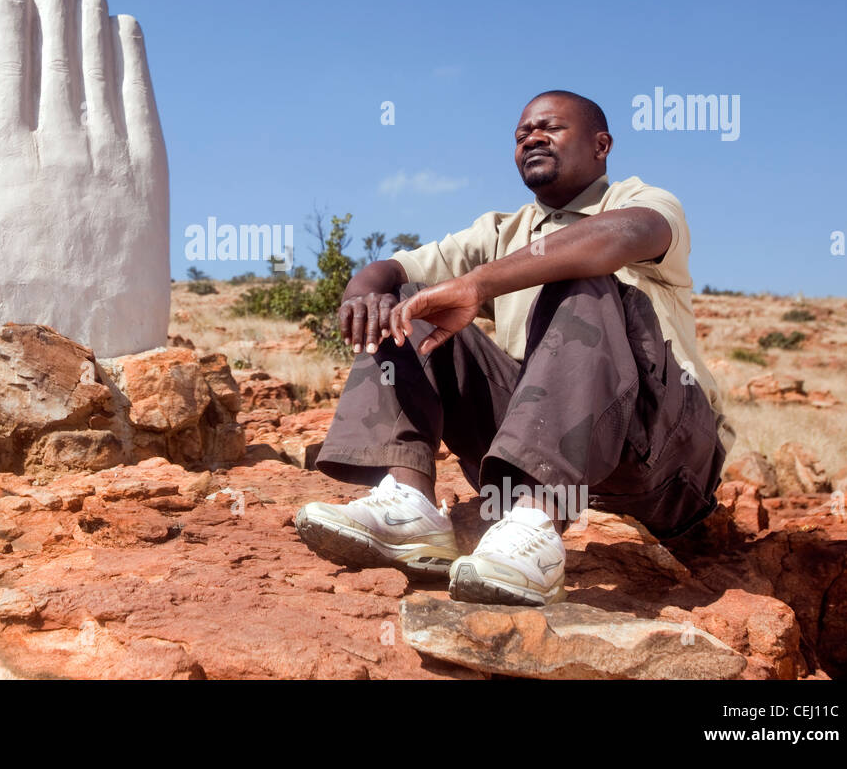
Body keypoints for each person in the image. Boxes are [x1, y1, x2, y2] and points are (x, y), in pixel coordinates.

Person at [294, 90, 733, 606]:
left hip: (663, 456)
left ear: (601, 145)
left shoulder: (641, 201)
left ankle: (533, 527)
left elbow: (618, 237)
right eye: (522, 134)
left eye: (550, 128)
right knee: (409, 303)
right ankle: (409, 503)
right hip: (551, 443)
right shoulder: (502, 230)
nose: (532, 138)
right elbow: (391, 269)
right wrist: (364, 293)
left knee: (583, 280)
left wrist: (477, 286)